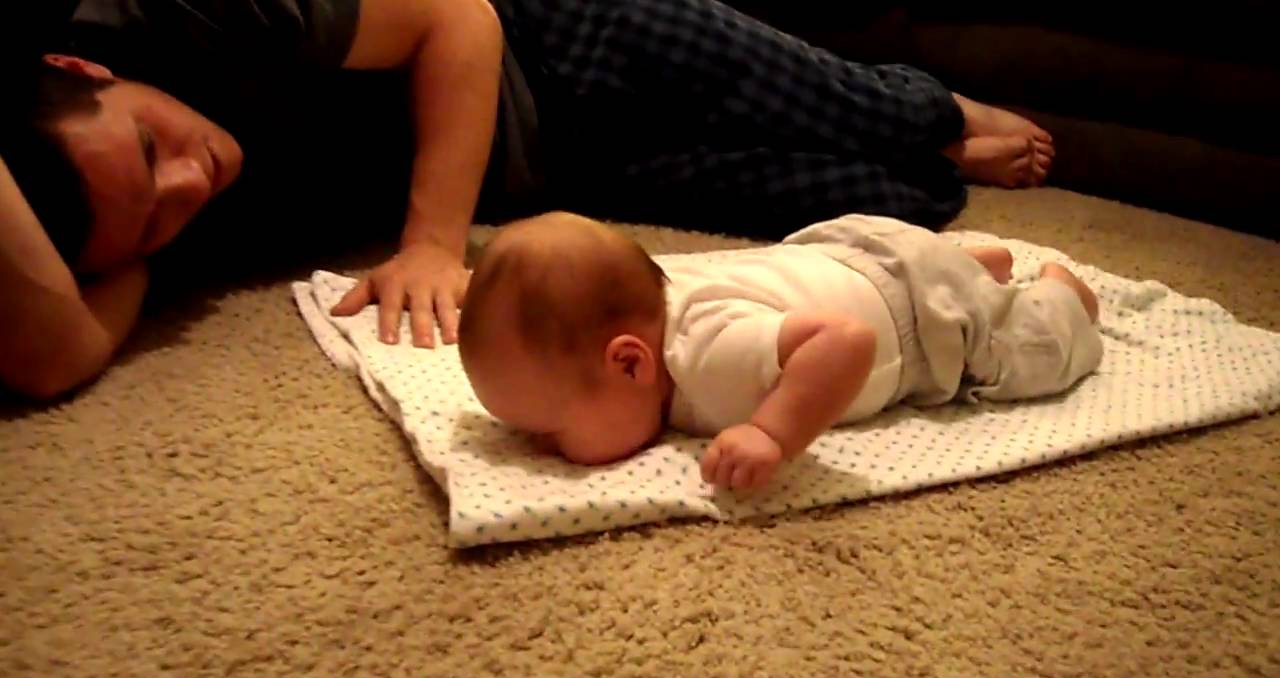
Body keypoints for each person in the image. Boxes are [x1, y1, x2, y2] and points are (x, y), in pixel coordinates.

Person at [0, 0, 1054, 400]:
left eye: (152, 147)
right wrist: (135, 245)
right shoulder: (86, 230)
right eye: (153, 218)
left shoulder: (182, 17)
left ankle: (932, 105)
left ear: (81, 67)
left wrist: (431, 244)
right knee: (899, 204)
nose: (194, 181)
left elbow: (455, 18)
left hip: (550, 39)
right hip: (551, 173)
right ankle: (933, 151)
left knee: (864, 112)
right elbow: (54, 353)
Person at [457, 211, 1102, 488]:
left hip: (920, 317)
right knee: (933, 272)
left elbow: (847, 341)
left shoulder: (710, 355)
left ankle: (1060, 291)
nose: (536, 450)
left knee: (1031, 357)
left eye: (548, 430)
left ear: (630, 363)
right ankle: (970, 265)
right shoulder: (657, 302)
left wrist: (772, 431)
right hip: (855, 252)